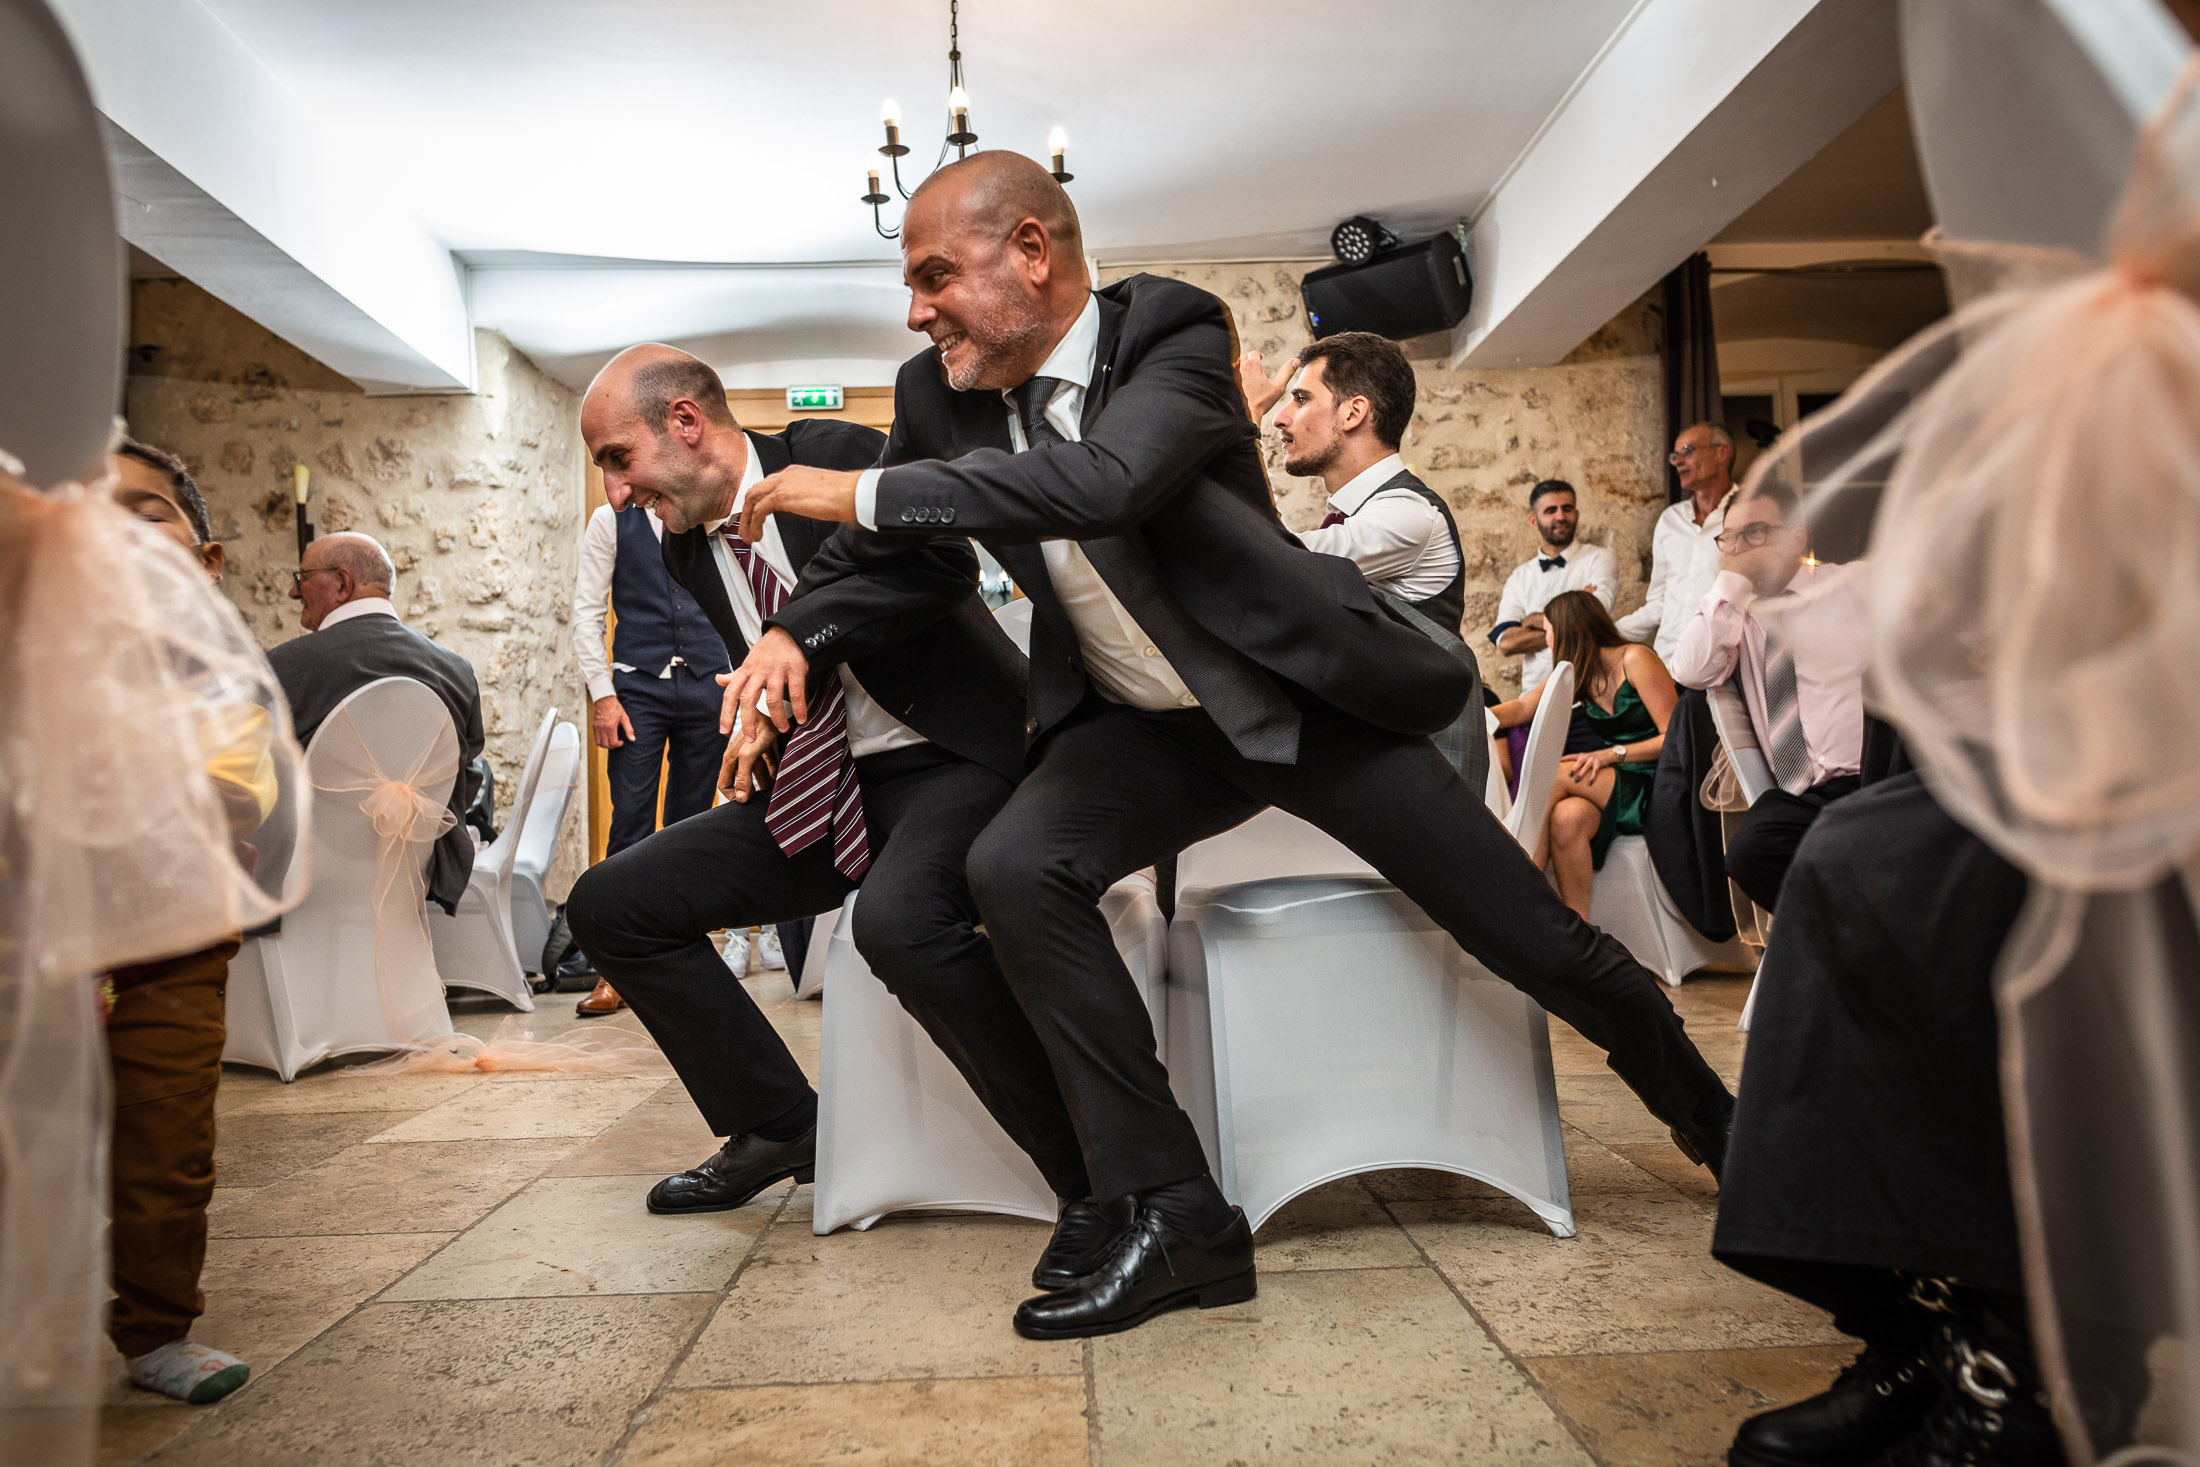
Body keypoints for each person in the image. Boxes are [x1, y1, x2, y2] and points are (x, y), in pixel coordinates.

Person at [734, 150, 1734, 1341]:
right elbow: (913, 555)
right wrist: (794, 629)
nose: (917, 309)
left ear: (1034, 254)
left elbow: (1105, 483)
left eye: (938, 275)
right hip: (1131, 724)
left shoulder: (1170, 330)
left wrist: (854, 492)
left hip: (1291, 702)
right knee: (1013, 870)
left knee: (1527, 935)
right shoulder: (933, 389)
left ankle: (1724, 1131)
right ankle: (1172, 1214)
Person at [562, 347, 1107, 1293]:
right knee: (612, 901)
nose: (614, 493)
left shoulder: (834, 449)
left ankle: (1092, 1184)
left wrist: (793, 634)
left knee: (901, 923)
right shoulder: (684, 541)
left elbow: (941, 566)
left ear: (684, 422)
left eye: (618, 457)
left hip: (953, 761)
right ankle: (780, 1123)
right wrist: (761, 714)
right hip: (827, 786)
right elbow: (788, 675)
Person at [102, 439, 272, 1403]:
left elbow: (233, 797)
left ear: (206, 560)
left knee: (166, 1146)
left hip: (171, 942)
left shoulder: (220, 675)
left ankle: (156, 1323)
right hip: (29, 946)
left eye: (148, 510)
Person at [1244, 331, 1483, 789]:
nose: (1283, 417)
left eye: (1299, 398)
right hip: (1380, 750)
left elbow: (1273, 558)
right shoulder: (1361, 513)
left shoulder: (1408, 514)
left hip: (1422, 772)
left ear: (1354, 412)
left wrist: (1248, 420)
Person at [572, 484, 734, 1017]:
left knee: (693, 825)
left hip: (710, 684)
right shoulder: (608, 523)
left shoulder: (707, 508)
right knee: (631, 823)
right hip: (635, 690)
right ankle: (614, 969)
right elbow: (587, 613)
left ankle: (685, 956)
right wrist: (603, 695)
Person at [1667, 484, 1867, 912]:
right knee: (1749, 851)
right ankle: (1852, 941)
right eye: (1730, 537)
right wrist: (1730, 582)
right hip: (1803, 797)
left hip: (1874, 778)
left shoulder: (1849, 585)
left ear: (1796, 536)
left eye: (1755, 532)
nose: (1740, 547)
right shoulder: (1734, 616)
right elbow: (1689, 670)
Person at [266, 531, 485, 915]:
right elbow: (462, 789)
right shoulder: (456, 672)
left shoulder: (281, 669)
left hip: (304, 884)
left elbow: (258, 793)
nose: (292, 592)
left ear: (343, 583)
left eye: (301, 578)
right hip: (415, 873)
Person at [1490, 591, 1677, 919]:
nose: (1547, 640)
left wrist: (1611, 754)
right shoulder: (1578, 671)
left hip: (1659, 780)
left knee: (1559, 774)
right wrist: (1473, 712)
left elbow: (1675, 738)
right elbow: (1521, 709)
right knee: (1567, 818)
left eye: (1548, 630)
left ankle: (1518, 888)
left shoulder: (1635, 657)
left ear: (1565, 630)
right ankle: (1578, 932)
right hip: (1619, 781)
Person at [1614, 423, 1739, 662]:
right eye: (1675, 455)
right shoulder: (1670, 520)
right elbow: (1658, 603)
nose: (1678, 462)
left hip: (1722, 665)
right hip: (1667, 663)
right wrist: (1607, 632)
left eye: (1688, 451)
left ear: (1722, 453)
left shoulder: (1749, 515)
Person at [1489, 478, 1617, 693]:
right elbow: (1506, 643)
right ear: (1533, 520)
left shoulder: (1599, 559)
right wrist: (1572, 620)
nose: (1560, 516)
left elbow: (1592, 618)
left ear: (1576, 513)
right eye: (1550, 510)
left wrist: (1530, 621)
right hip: (1534, 697)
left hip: (1589, 691)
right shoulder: (1519, 577)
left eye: (1567, 508)